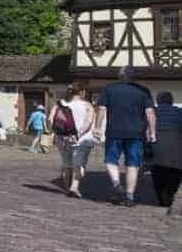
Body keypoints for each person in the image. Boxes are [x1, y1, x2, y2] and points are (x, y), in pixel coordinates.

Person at [93, 66, 157, 207]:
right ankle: (129, 196)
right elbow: (150, 113)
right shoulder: (143, 91)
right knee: (133, 164)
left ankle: (117, 185)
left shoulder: (109, 89)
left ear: (120, 76)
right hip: (136, 133)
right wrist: (152, 131)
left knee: (110, 160)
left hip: (114, 131)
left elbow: (102, 109)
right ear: (135, 77)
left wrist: (97, 127)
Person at [55, 82, 97, 199]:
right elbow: (88, 123)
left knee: (66, 163)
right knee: (79, 163)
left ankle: (67, 188)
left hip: (62, 139)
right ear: (82, 92)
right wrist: (77, 134)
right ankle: (74, 187)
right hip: (80, 139)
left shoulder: (60, 103)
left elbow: (50, 120)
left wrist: (63, 135)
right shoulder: (87, 105)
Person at [151, 91, 181, 208]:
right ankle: (169, 193)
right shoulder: (179, 112)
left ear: (158, 101)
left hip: (156, 147)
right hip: (177, 148)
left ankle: (161, 197)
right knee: (175, 173)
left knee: (157, 173)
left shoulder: (152, 112)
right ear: (171, 101)